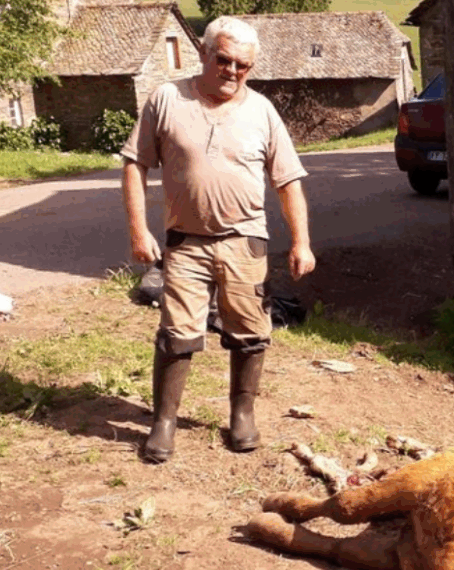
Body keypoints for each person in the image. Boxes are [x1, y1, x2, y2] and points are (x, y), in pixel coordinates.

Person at [119, 16, 315, 463]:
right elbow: (135, 164)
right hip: (185, 243)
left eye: (242, 65)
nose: (231, 71)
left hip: (245, 241)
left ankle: (241, 415)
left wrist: (302, 242)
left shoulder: (262, 111)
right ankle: (163, 422)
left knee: (250, 333)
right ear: (204, 53)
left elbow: (288, 180)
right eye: (223, 59)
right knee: (177, 334)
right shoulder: (167, 98)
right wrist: (138, 229)